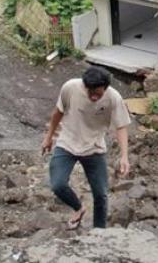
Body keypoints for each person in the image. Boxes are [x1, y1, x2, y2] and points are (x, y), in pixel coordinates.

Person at [41, 66, 131, 229]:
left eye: (98, 93)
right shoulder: (70, 88)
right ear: (84, 85)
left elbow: (121, 126)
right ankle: (79, 208)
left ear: (105, 88)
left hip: (94, 148)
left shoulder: (114, 98)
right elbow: (57, 113)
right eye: (90, 92)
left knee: (101, 195)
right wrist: (48, 137)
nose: (94, 96)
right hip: (67, 143)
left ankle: (99, 233)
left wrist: (124, 156)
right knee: (58, 184)